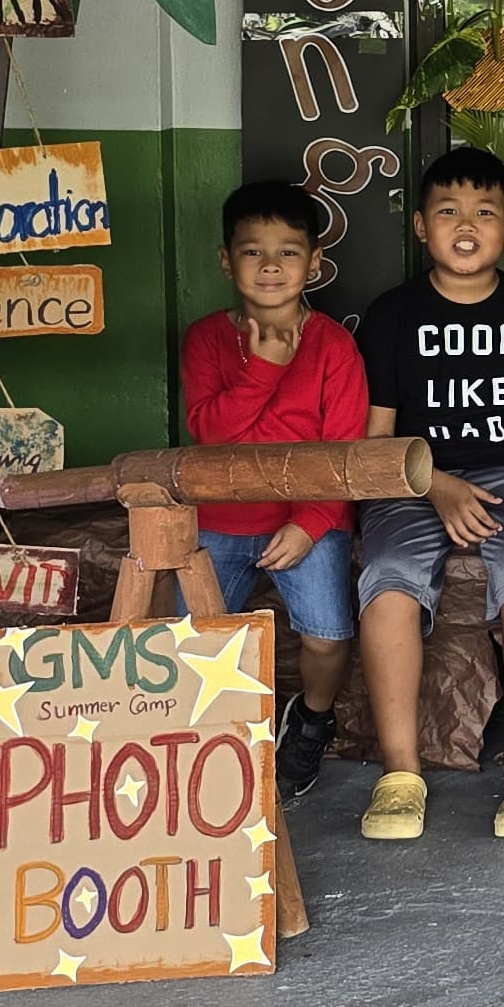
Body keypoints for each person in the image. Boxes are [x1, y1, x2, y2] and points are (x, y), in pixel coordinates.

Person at [354, 147, 504, 843]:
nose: (466, 226)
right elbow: (374, 442)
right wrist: (439, 485)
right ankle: (399, 775)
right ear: (421, 225)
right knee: (388, 580)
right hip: (408, 483)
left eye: (485, 213)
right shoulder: (392, 314)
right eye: (448, 211)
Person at [180, 180, 370, 803]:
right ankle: (212, 744)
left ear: (315, 262)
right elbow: (212, 435)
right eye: (251, 251)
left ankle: (311, 719)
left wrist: (311, 524)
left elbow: (342, 455)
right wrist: (263, 369)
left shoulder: (335, 347)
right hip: (221, 518)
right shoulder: (208, 339)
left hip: (308, 518)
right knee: (197, 643)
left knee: (328, 636)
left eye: (288, 252)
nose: (270, 266)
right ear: (225, 260)